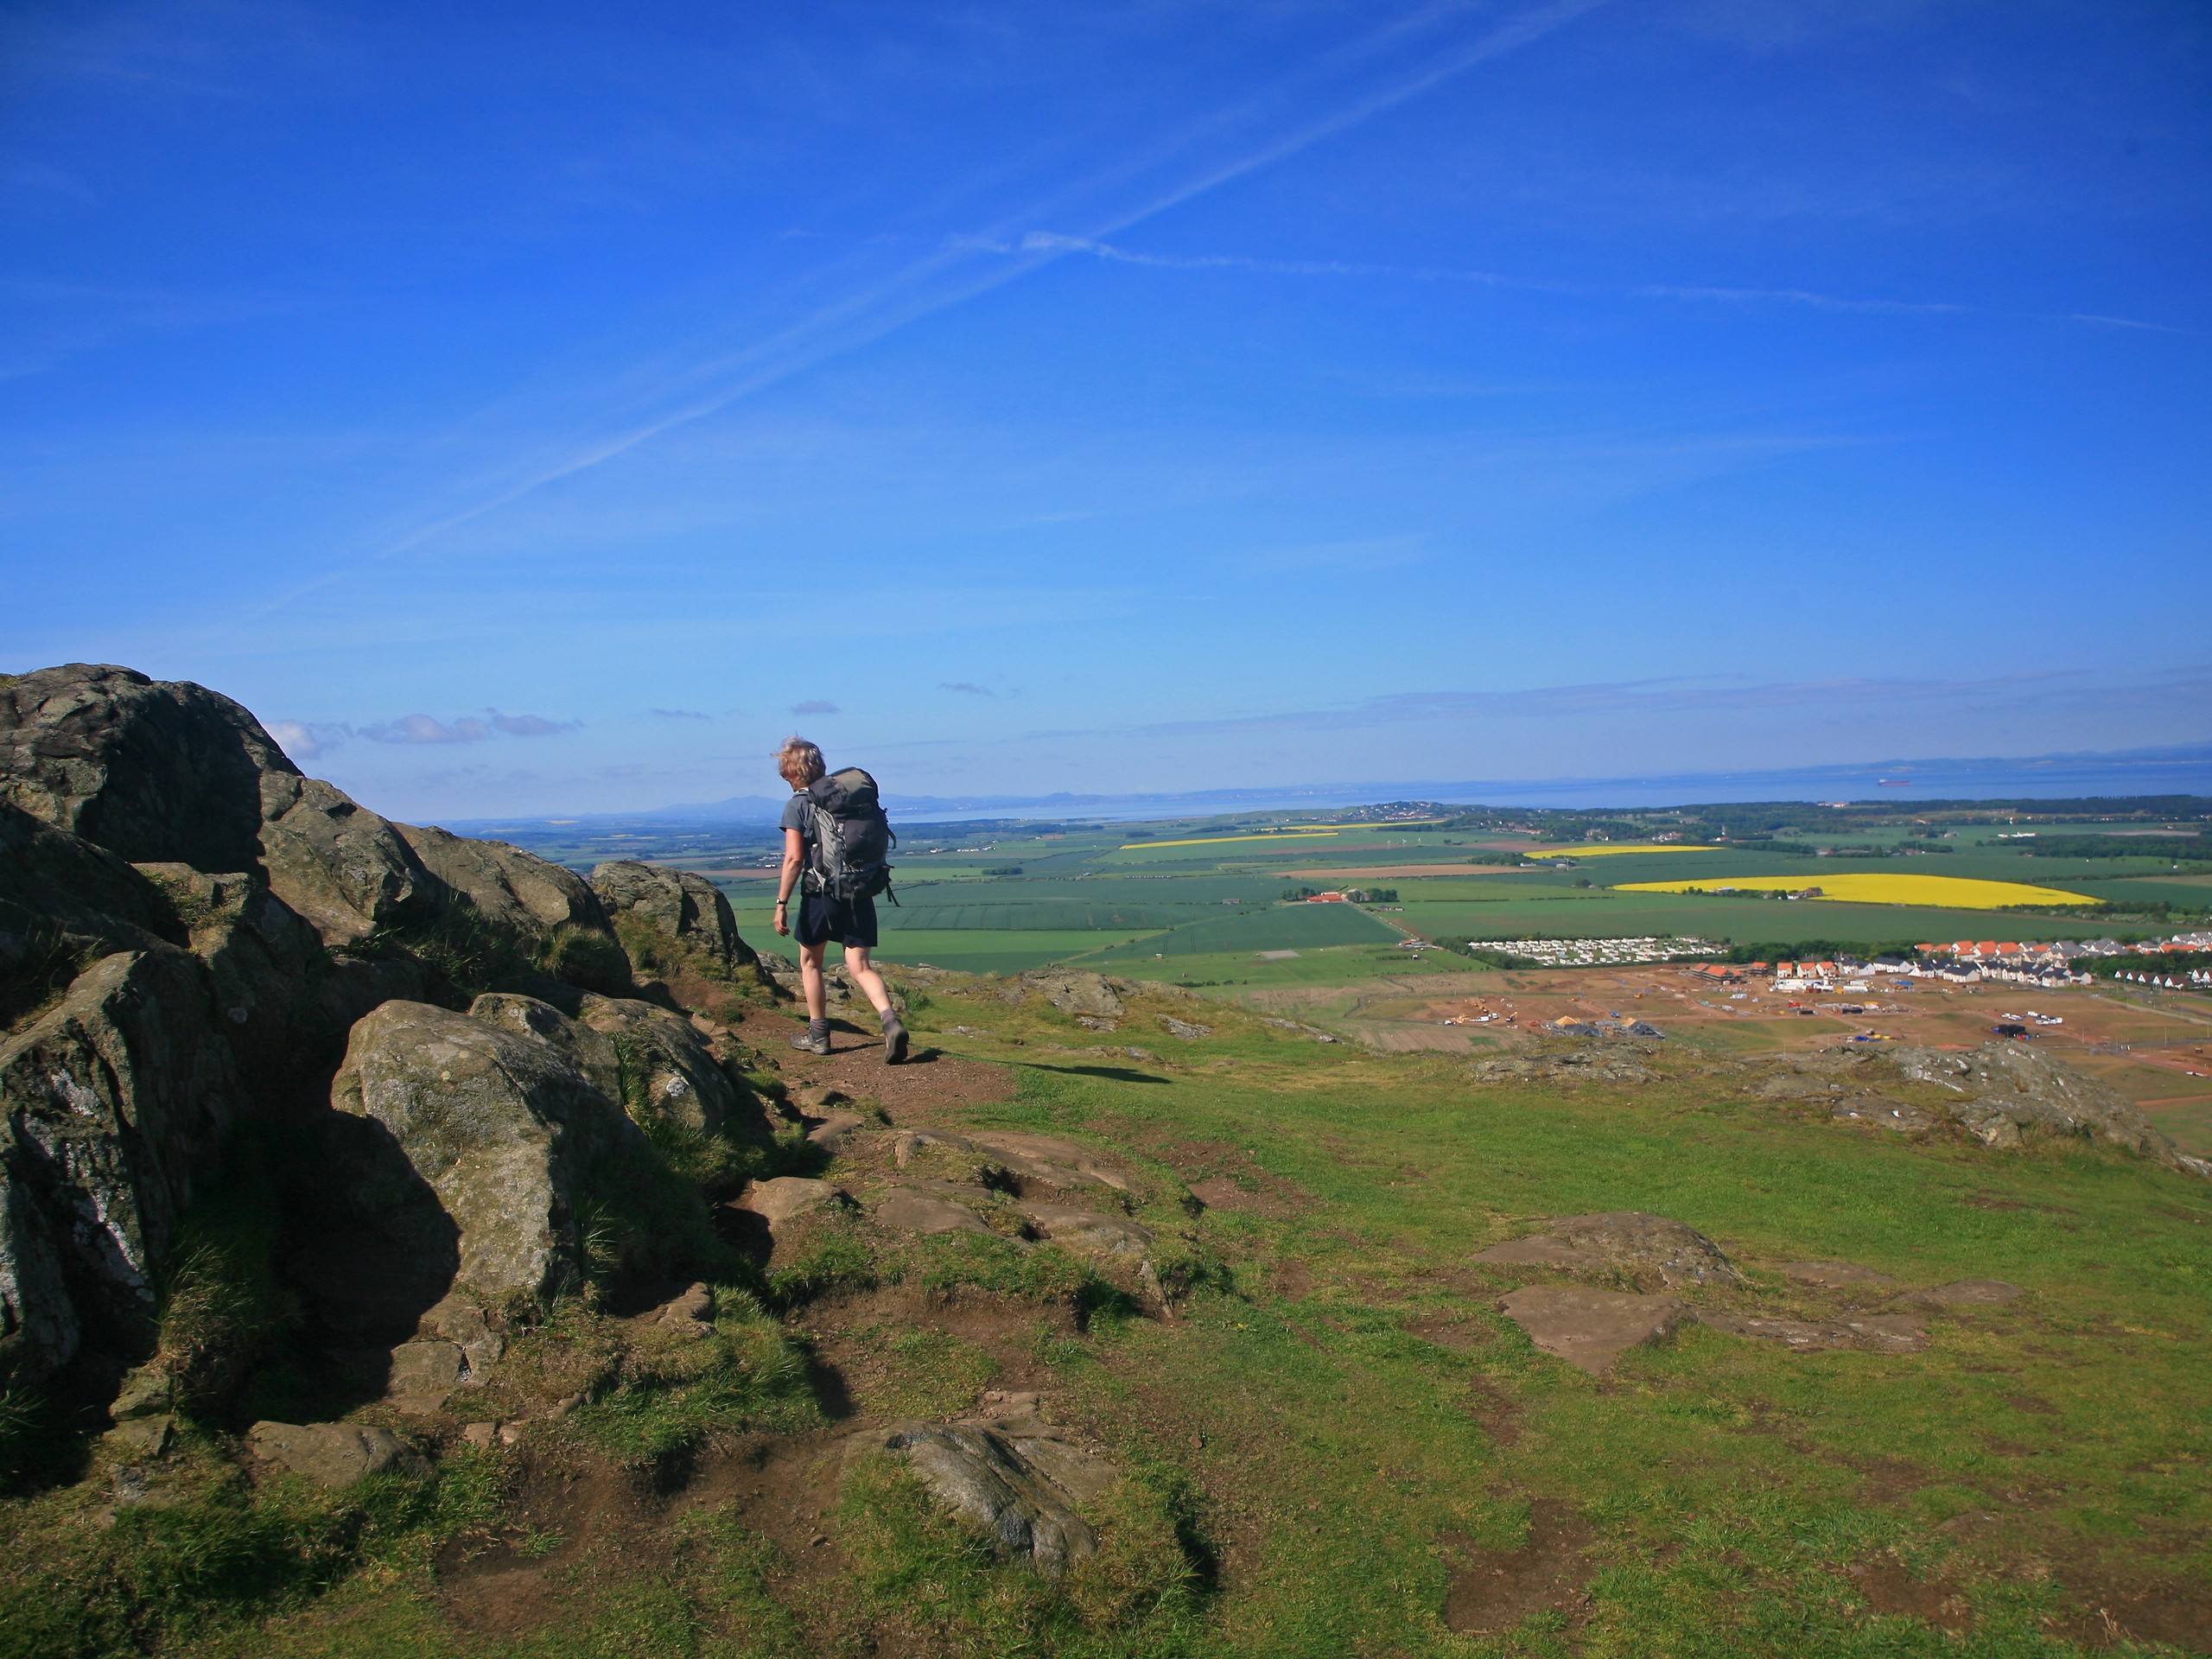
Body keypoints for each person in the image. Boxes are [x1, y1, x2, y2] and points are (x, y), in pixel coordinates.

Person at [771, 736, 908, 1062]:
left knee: (810, 962)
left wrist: (781, 904)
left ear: (792, 772)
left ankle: (818, 1035)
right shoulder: (850, 801)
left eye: (784, 772)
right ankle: (890, 1021)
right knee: (860, 966)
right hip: (859, 890)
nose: (784, 778)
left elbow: (793, 860)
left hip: (821, 895)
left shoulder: (799, 804)